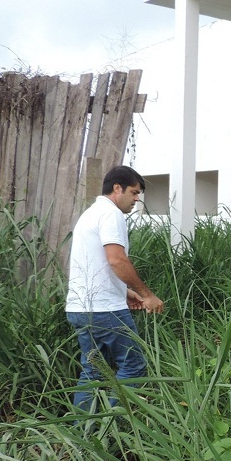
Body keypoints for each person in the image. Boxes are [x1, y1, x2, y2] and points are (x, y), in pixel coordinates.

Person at [65, 165, 164, 411]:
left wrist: (124, 292)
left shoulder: (91, 213)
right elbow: (116, 259)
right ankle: (111, 430)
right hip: (104, 311)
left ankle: (85, 436)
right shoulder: (111, 214)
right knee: (134, 366)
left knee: (93, 371)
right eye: (133, 192)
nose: (136, 199)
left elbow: (97, 262)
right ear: (117, 188)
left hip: (80, 308)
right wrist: (146, 295)